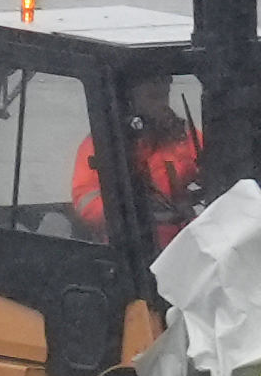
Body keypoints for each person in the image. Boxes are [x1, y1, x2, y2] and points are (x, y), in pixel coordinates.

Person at [71, 74, 200, 248]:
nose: (162, 105)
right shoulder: (103, 144)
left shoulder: (184, 136)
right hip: (131, 249)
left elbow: (213, 170)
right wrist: (129, 215)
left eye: (164, 96)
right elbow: (86, 199)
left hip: (186, 243)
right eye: (153, 98)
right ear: (130, 101)